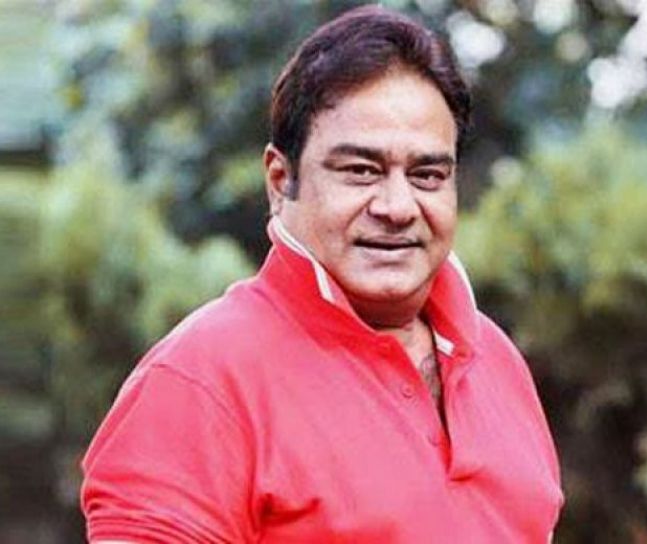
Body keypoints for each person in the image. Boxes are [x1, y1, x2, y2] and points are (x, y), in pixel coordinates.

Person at [81, 5, 564, 542]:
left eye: (427, 174)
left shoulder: (496, 360)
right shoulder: (199, 380)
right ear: (279, 181)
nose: (397, 206)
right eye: (361, 170)